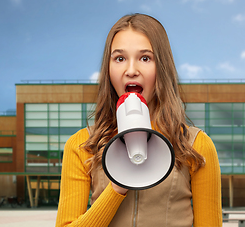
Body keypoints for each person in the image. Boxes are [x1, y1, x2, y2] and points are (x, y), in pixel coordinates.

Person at [56, 13, 222, 227]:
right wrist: (117, 187)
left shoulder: (196, 145)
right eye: (119, 58)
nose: (131, 70)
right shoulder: (81, 146)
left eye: (145, 58)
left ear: (161, 68)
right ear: (108, 69)